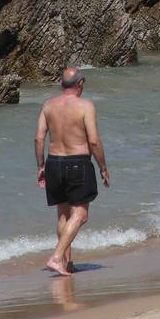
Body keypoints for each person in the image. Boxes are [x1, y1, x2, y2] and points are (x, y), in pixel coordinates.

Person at [35, 67, 110, 278]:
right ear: (81, 83)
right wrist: (103, 167)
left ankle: (67, 264)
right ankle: (57, 258)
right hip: (77, 162)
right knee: (80, 215)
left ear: (61, 84)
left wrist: (40, 166)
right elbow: (94, 140)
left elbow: (39, 138)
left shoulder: (48, 105)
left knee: (63, 214)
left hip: (54, 163)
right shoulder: (85, 106)